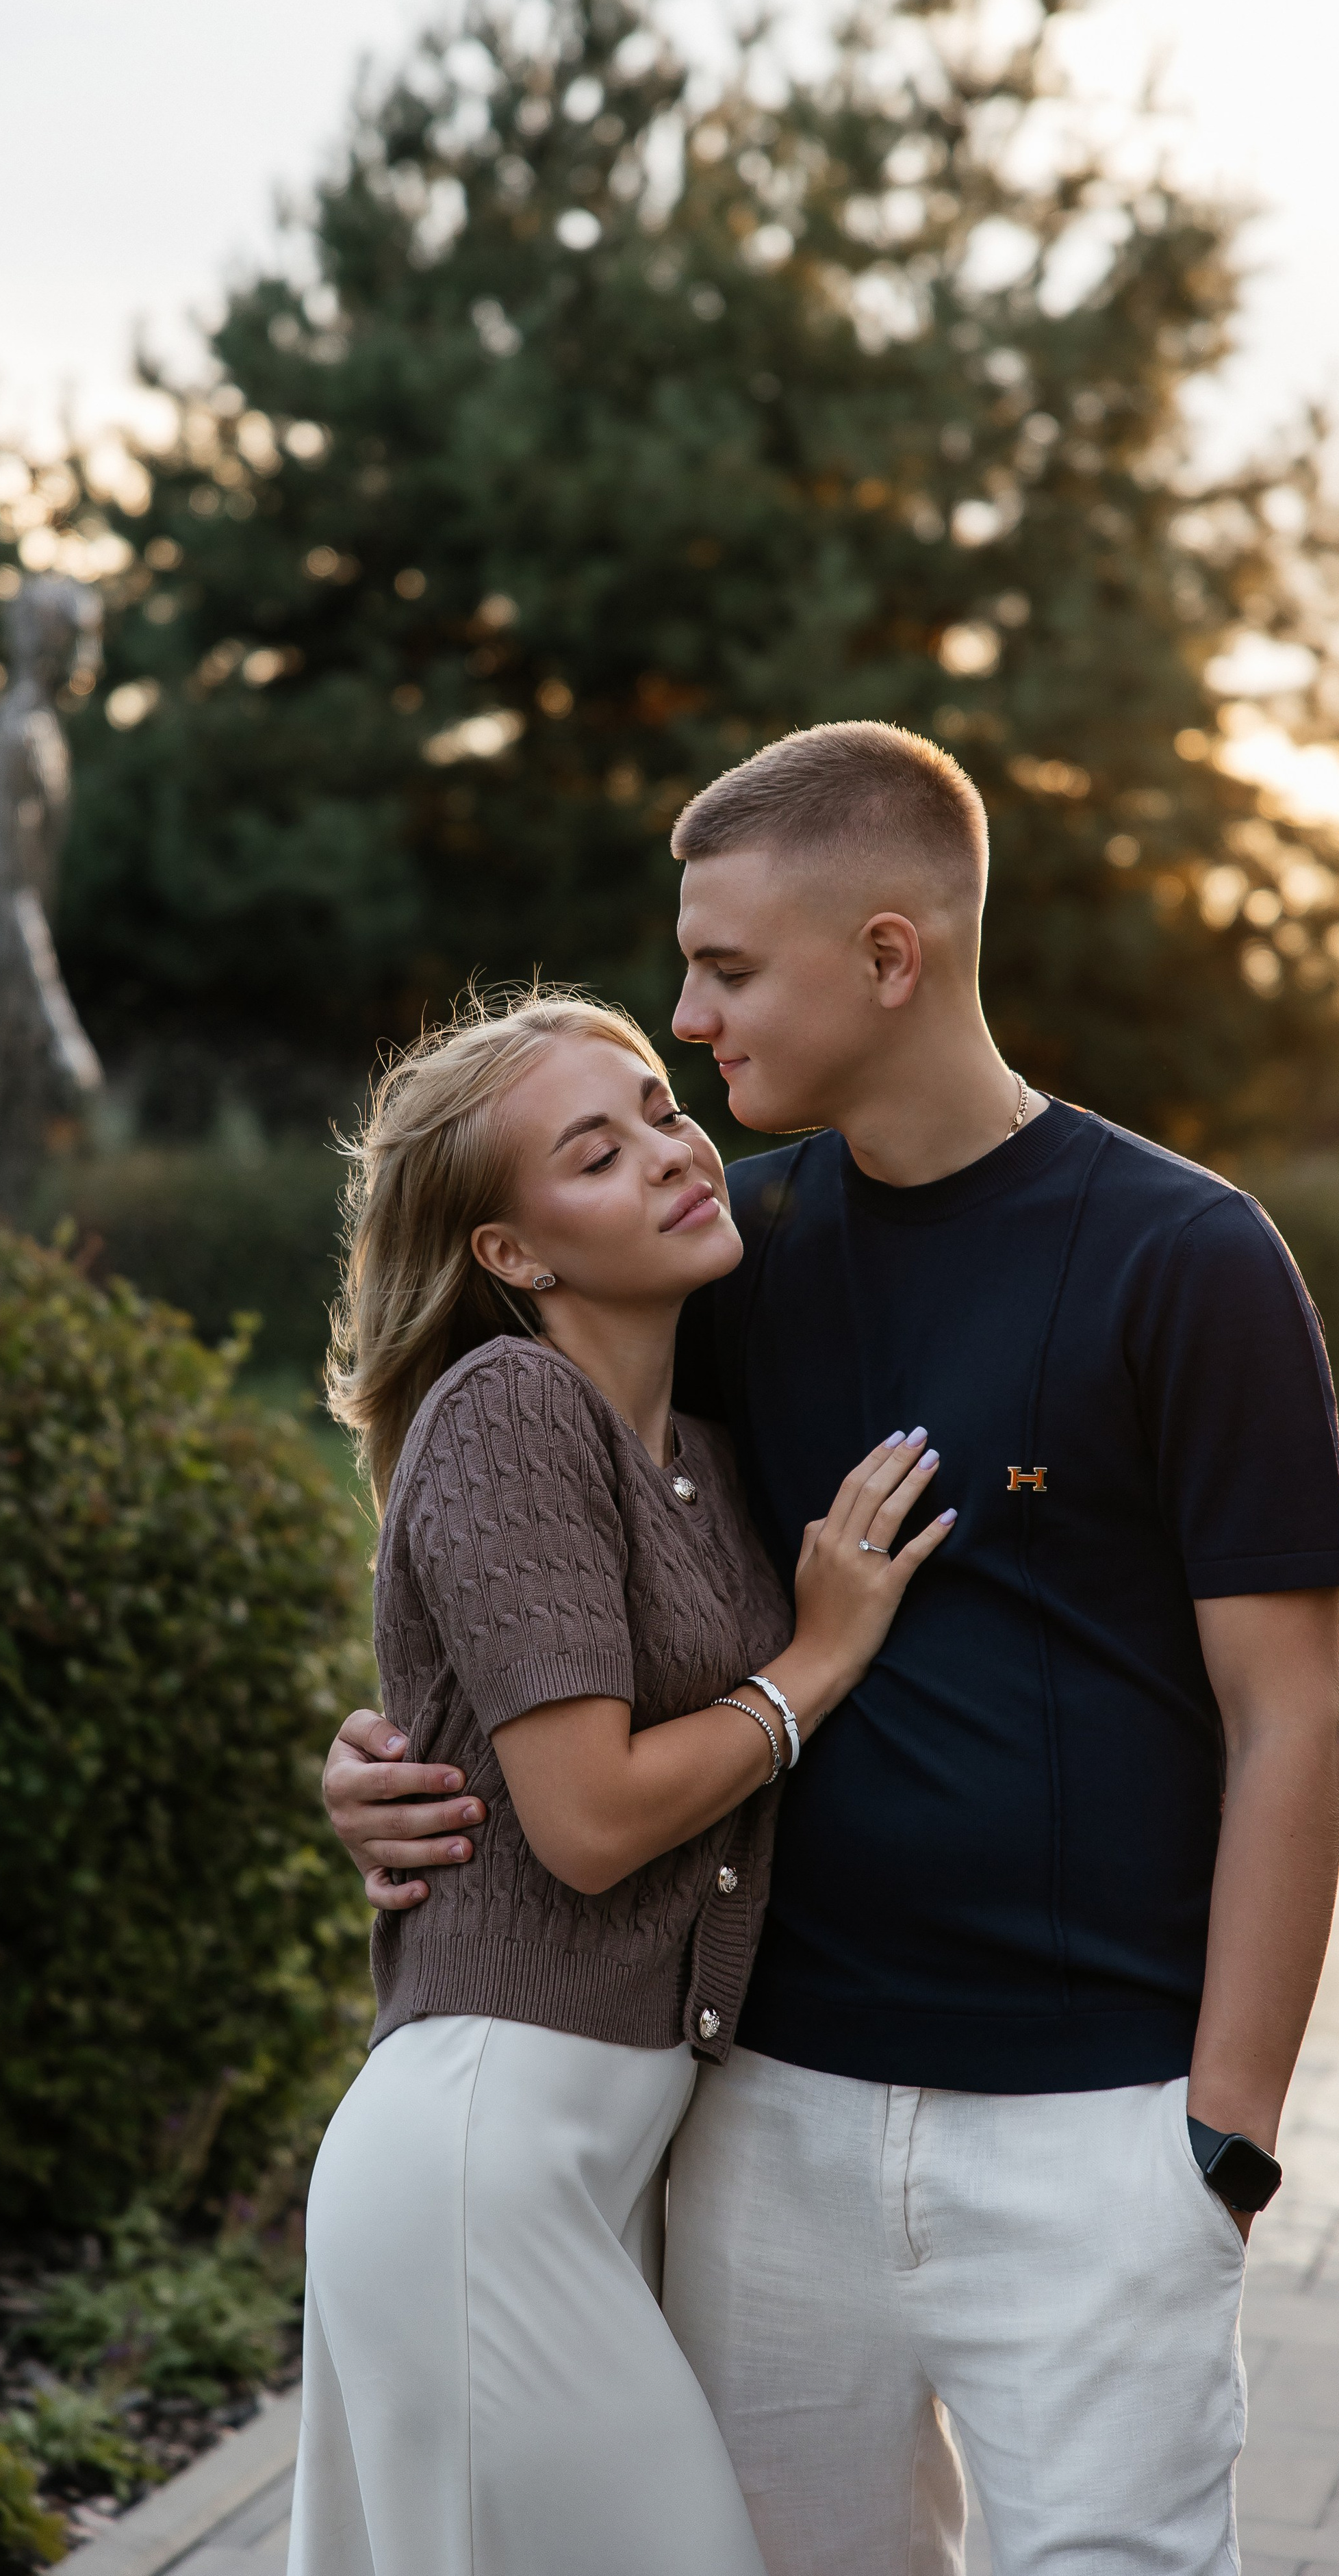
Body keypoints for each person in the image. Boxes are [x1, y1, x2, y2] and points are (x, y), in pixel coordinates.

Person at [321, 723, 1339, 2575]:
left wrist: (1229, 2137)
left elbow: (1288, 1719)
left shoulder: (1188, 1258)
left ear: (889, 957)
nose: (691, 1018)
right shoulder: (732, 1261)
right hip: (763, 2125)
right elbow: (548, 1558)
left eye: (725, 967)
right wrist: (387, 1756)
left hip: (1099, 2136)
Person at [290, 989, 954, 2576]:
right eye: (595, 1156)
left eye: (659, 1109)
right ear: (511, 1256)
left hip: (598, 2170)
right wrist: (813, 1661)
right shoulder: (511, 1406)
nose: (672, 1153)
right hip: (482, 2167)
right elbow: (584, 1825)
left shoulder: (702, 1460)